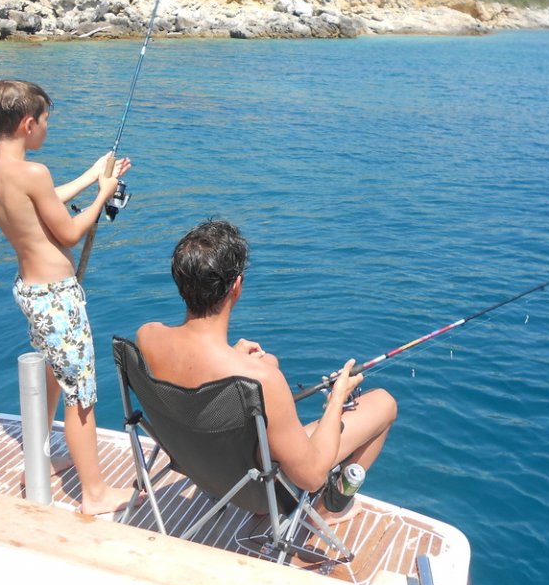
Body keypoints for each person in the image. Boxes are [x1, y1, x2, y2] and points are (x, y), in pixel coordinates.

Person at [137, 219, 397, 524]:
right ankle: (325, 513)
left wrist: (234, 357)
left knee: (268, 361)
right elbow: (312, 477)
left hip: (200, 469)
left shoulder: (147, 336)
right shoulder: (263, 382)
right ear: (236, 287)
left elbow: (193, 381)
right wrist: (337, 399)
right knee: (384, 403)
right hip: (260, 493)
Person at [0, 78, 134, 516]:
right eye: (46, 120)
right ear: (29, 123)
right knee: (80, 394)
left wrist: (92, 176)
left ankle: (39, 463)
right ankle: (95, 493)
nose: (48, 128)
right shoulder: (33, 172)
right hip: (57, 299)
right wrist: (104, 193)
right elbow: (66, 231)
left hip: (30, 290)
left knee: (54, 375)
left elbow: (41, 203)